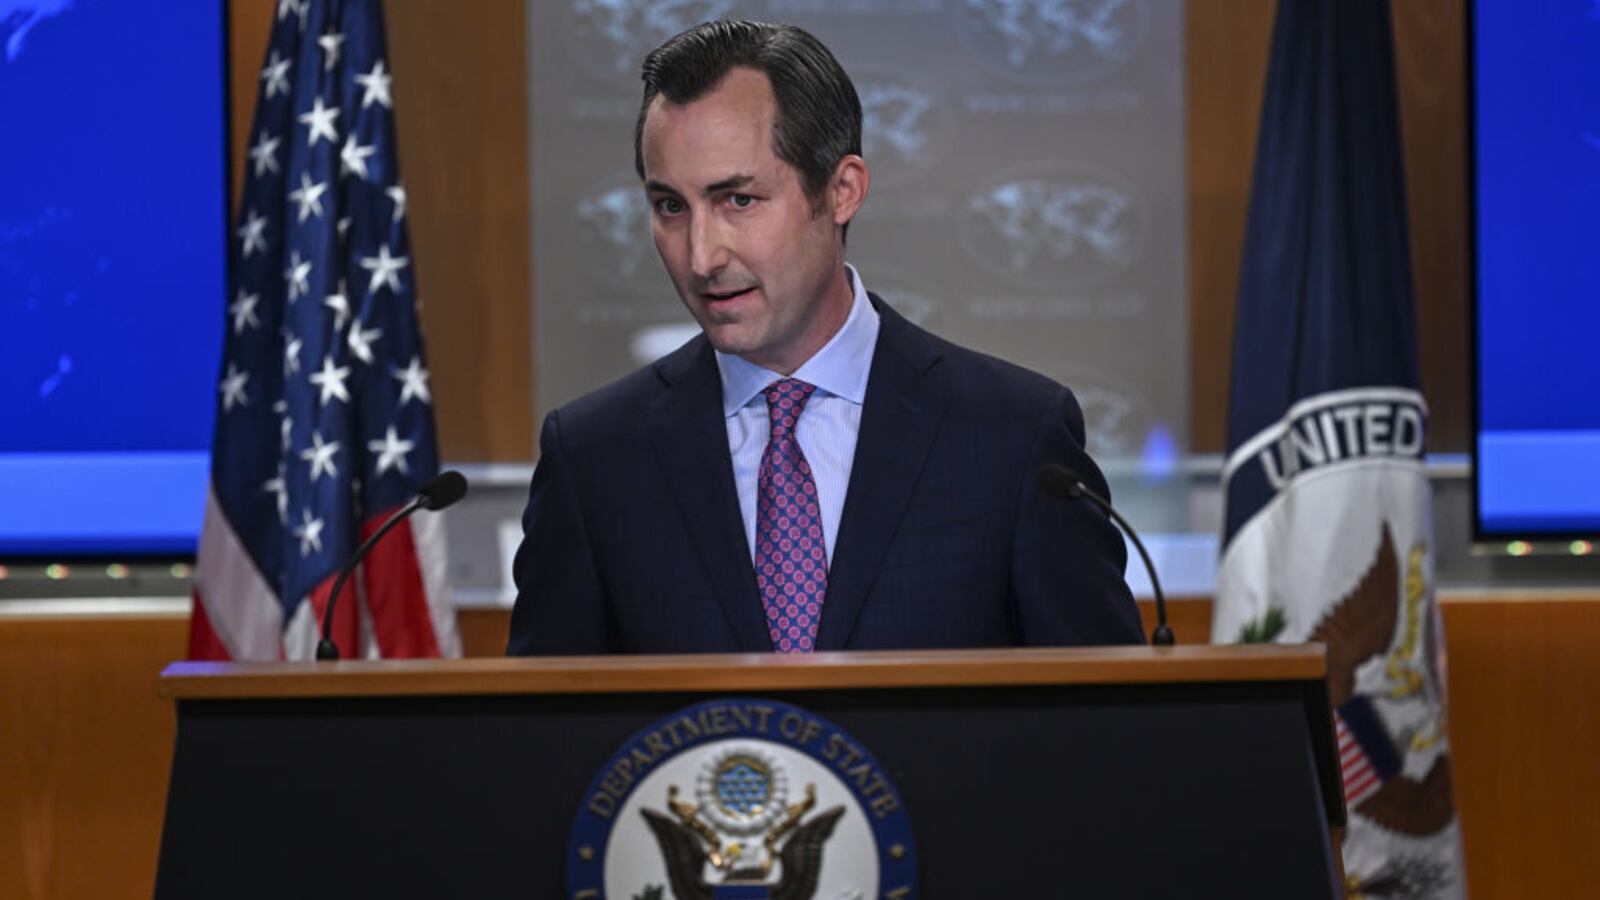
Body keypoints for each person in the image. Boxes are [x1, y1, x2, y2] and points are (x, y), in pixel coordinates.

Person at [507, 20, 1143, 655]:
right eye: (671, 206)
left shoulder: (1013, 436)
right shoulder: (595, 459)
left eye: (738, 200)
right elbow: (545, 714)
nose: (701, 257)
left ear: (842, 191)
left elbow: (1103, 707)